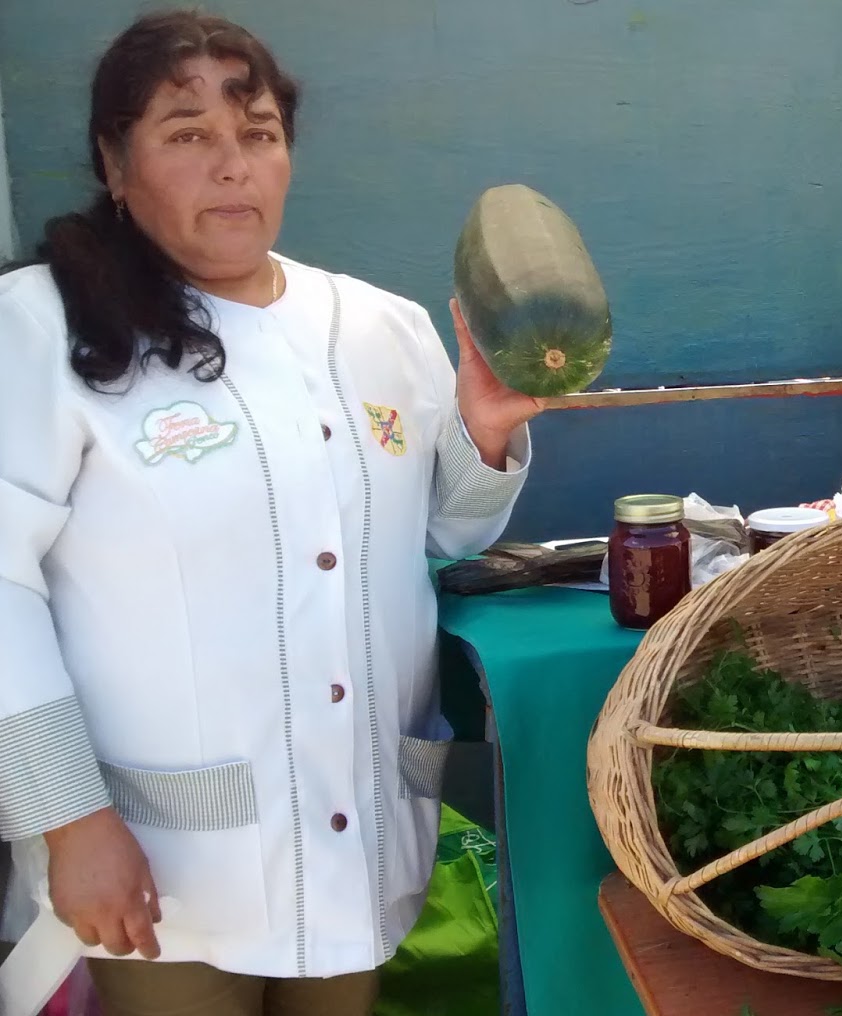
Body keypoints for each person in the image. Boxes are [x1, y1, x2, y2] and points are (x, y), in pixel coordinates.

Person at [0, 12, 542, 1014]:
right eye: (186, 133)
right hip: (161, 857)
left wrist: (487, 433)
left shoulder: (383, 326)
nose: (232, 164)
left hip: (358, 823)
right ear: (115, 165)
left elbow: (442, 534)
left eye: (256, 134)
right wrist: (69, 819)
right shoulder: (39, 325)